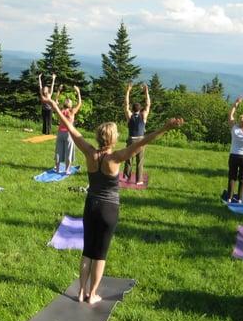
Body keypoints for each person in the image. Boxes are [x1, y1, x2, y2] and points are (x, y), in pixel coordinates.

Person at [41, 87, 183, 304]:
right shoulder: (115, 158)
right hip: (109, 209)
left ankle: (81, 292)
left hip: (91, 205)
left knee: (87, 251)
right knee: (100, 254)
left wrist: (53, 105)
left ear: (99, 137)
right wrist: (165, 127)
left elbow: (70, 127)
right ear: (114, 138)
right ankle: (93, 294)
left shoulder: (90, 152)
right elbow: (143, 142)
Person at [223, 96, 243, 203]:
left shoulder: (234, 129)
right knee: (242, 179)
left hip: (234, 156)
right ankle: (240, 199)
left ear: (240, 122)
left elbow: (230, 115)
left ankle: (230, 198)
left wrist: (236, 103)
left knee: (232, 177)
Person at [53, 75, 81, 174]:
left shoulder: (60, 111)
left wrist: (59, 91)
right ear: (70, 105)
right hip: (69, 134)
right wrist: (78, 92)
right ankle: (67, 170)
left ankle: (57, 169)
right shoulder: (72, 111)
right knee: (69, 151)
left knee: (58, 151)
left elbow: (55, 102)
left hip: (60, 133)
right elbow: (79, 103)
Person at [123, 83, 151, 184]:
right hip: (141, 140)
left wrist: (128, 91)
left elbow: (126, 105)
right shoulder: (143, 115)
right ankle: (139, 180)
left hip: (131, 140)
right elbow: (148, 104)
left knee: (128, 159)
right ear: (140, 110)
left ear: (133, 109)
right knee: (140, 161)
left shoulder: (129, 116)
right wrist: (146, 91)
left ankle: (126, 177)